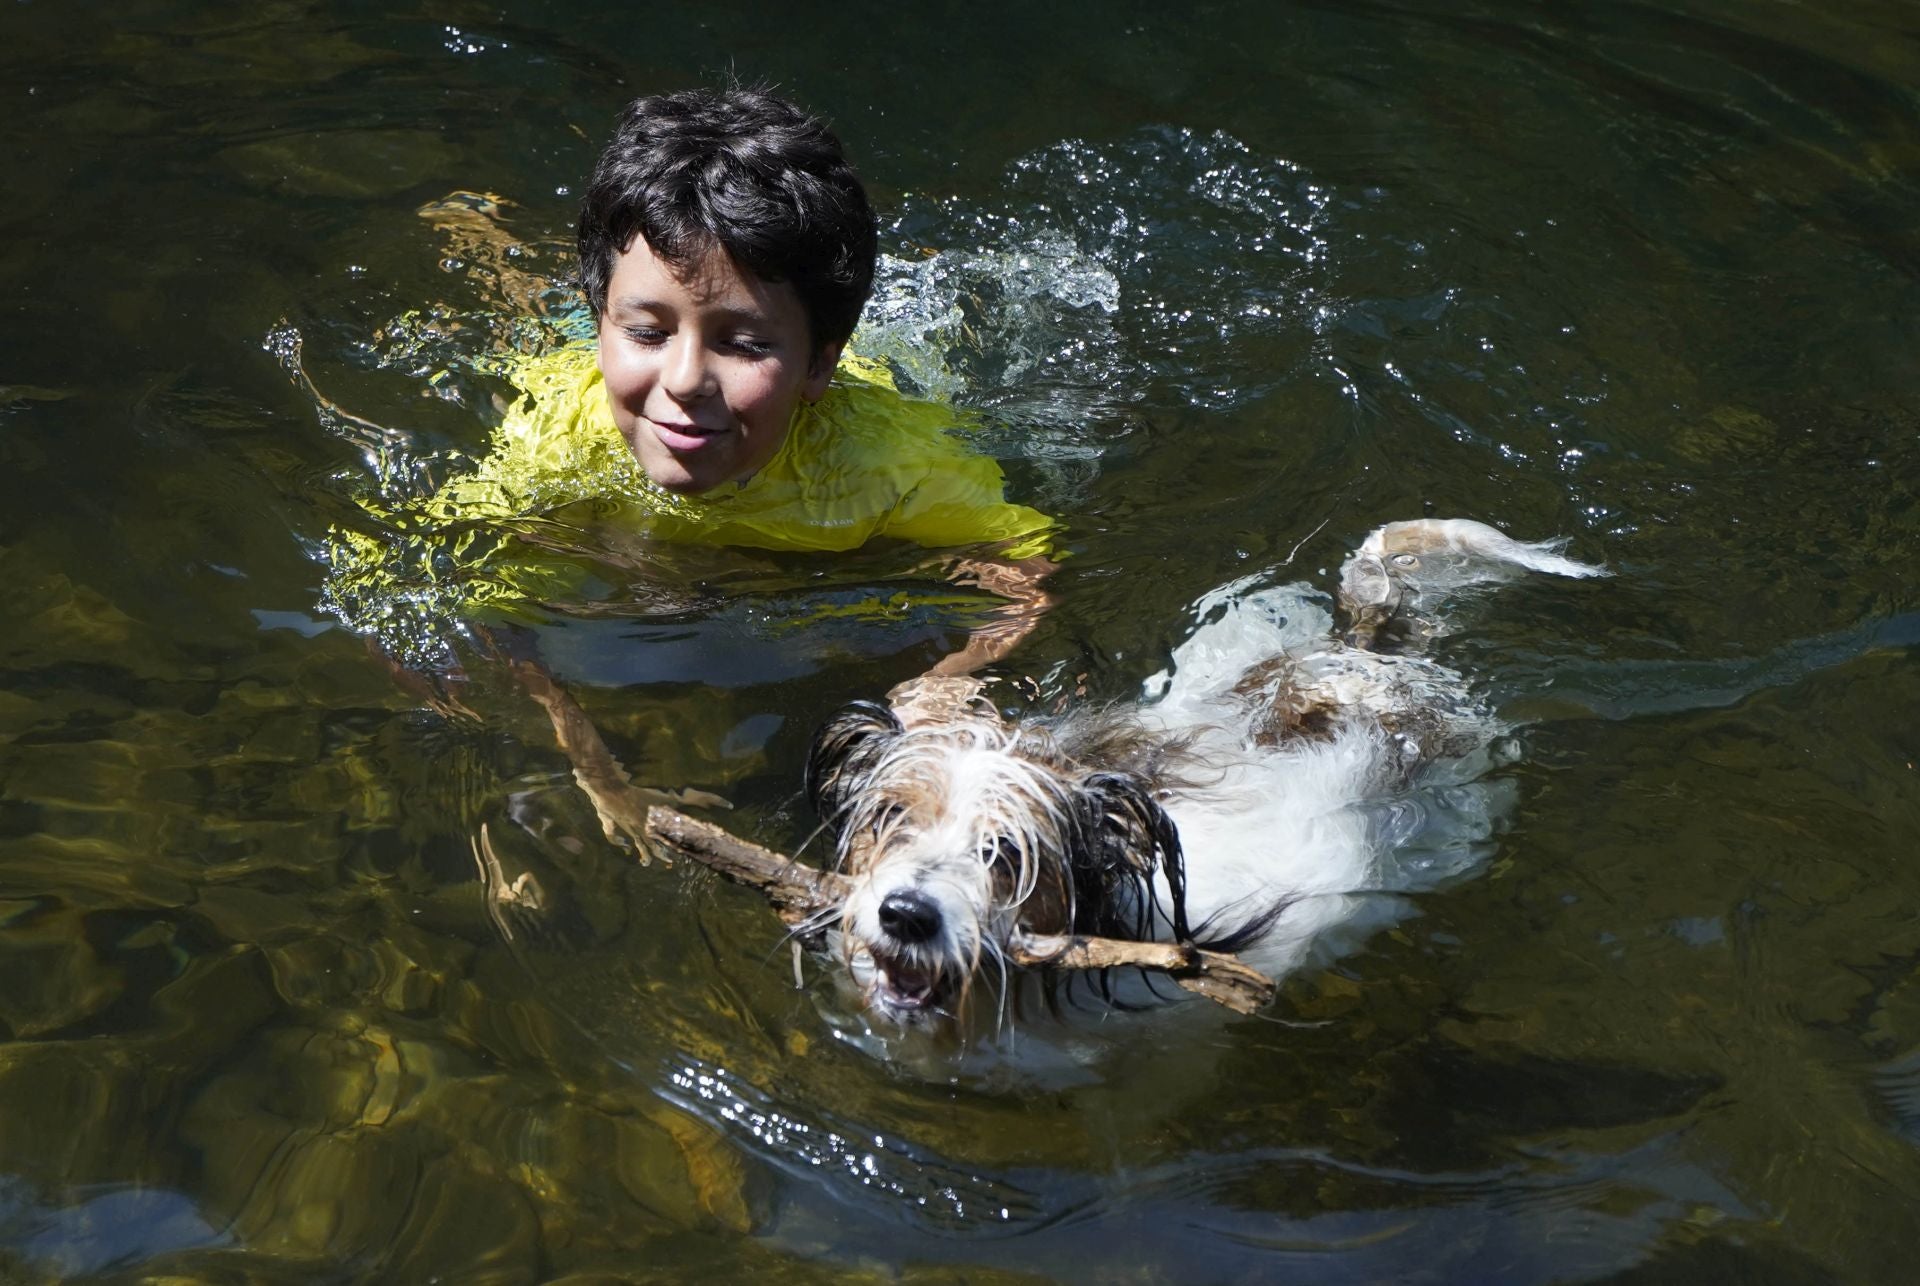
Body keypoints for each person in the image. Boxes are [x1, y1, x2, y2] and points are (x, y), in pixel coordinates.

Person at [322, 86, 1058, 850]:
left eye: (743, 345)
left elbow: (1024, 568)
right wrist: (582, 750)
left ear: (817, 368)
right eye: (643, 331)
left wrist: (936, 691)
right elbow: (445, 582)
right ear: (606, 325)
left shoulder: (885, 466)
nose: (683, 381)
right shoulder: (564, 438)